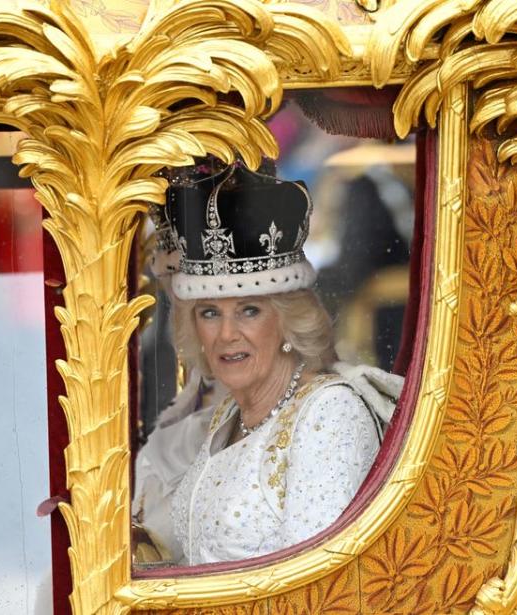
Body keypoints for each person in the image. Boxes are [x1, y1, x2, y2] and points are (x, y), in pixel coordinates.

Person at [154, 165, 401, 565]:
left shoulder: (329, 413)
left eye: (249, 311)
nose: (226, 334)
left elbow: (319, 584)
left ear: (290, 320)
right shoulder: (231, 414)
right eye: (210, 313)